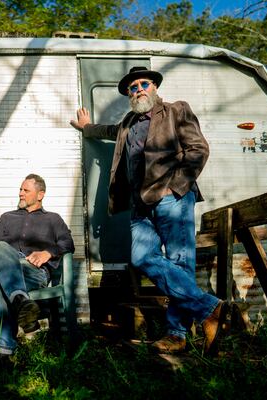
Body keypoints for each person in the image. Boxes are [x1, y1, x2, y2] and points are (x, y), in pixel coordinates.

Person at [70, 67, 227, 354]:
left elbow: (198, 149)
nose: (139, 89)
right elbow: (108, 132)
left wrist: (176, 187)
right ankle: (209, 307)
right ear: (129, 95)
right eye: (133, 87)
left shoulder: (176, 110)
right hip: (140, 205)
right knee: (141, 258)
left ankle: (177, 335)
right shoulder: (128, 123)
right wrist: (86, 128)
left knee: (180, 262)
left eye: (144, 84)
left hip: (173, 198)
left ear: (154, 86)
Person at [0, 174, 74, 358]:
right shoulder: (7, 217)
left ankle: (5, 353)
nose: (20, 194)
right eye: (20, 190)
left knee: (1, 283)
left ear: (40, 195)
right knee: (0, 248)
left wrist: (47, 252)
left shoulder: (53, 219)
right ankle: (21, 304)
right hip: (6, 266)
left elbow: (68, 243)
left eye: (26, 190)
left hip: (34, 272)